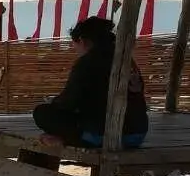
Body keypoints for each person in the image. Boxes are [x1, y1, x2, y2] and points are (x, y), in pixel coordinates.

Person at [32, 16, 147, 149]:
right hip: (136, 134)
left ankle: (69, 140)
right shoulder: (127, 60)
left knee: (42, 113)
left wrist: (54, 102)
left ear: (82, 41)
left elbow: (69, 102)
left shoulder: (87, 62)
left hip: (104, 135)